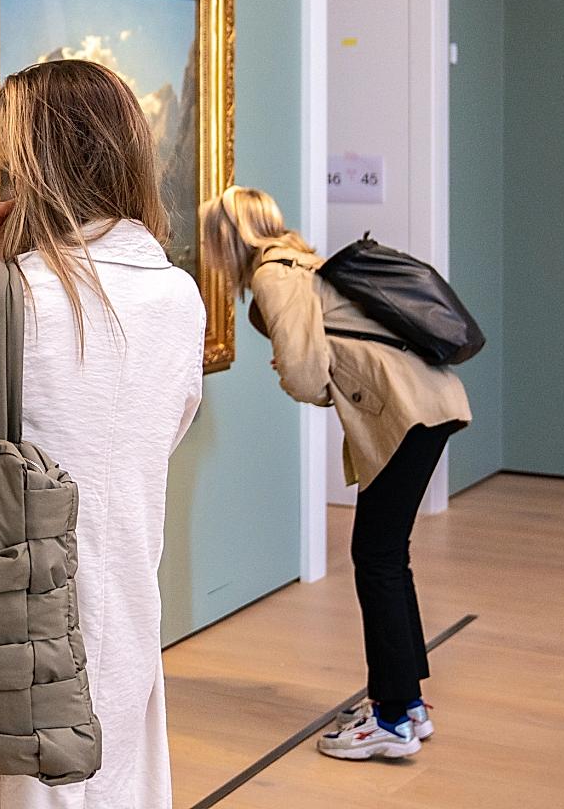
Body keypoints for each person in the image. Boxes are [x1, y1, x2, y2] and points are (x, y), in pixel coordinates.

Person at [0, 59, 205, 809]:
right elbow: (164, 428)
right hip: (124, 602)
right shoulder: (178, 296)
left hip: (2, 616)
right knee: (111, 778)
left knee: (10, 785)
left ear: (35, 165)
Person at [201, 185, 471, 760]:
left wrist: (302, 373)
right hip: (429, 401)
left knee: (375, 559)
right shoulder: (301, 260)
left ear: (229, 237)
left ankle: (393, 719)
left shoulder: (274, 274)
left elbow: (302, 372)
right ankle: (407, 705)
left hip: (407, 411)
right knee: (386, 557)